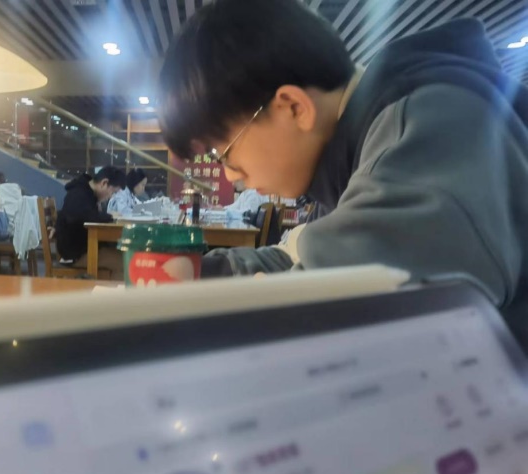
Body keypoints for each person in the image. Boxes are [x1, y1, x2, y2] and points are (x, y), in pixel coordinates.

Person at [157, 0, 528, 345]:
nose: (229, 176)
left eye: (223, 153)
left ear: (293, 107)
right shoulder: (347, 153)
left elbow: (338, 301)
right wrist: (189, 275)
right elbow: (298, 253)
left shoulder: (432, 130)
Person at [56, 166, 126, 279]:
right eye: (113, 192)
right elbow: (86, 217)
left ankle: (108, 286)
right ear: (104, 183)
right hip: (76, 253)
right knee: (124, 262)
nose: (111, 197)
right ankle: (111, 289)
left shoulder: (86, 193)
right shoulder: (79, 194)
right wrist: (110, 216)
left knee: (122, 255)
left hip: (83, 248)